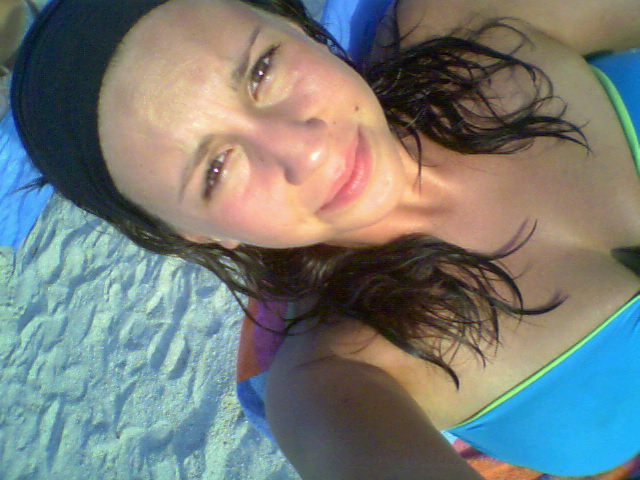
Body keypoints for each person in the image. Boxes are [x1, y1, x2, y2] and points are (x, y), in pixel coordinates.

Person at [10, 0, 640, 478]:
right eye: (216, 169)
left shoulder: (473, 21)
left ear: (301, 29)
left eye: (262, 70)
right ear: (198, 234)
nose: (305, 149)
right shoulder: (333, 380)